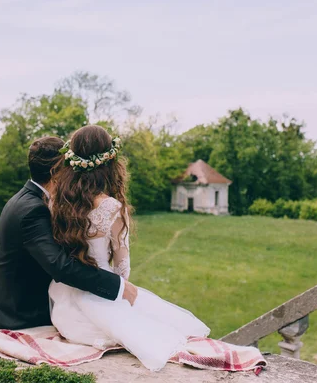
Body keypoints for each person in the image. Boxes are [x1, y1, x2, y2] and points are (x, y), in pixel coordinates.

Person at [48, 125, 211, 371]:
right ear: (110, 163)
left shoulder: (57, 200)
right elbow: (122, 270)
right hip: (102, 295)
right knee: (162, 328)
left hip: (62, 302)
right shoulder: (111, 207)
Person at [0, 136, 138, 330]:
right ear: (57, 172)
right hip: (22, 311)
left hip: (8, 302)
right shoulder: (34, 209)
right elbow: (60, 266)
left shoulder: (25, 199)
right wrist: (117, 286)